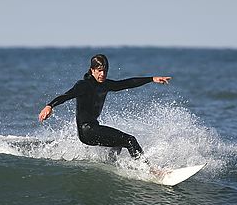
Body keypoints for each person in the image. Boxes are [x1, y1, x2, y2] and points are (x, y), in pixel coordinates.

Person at [38, 53, 171, 160]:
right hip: (87, 130)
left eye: (105, 71)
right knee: (130, 140)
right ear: (92, 70)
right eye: (99, 71)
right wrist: (50, 105)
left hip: (93, 130)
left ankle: (111, 163)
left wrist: (152, 79)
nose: (103, 74)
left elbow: (127, 83)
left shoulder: (105, 85)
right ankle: (148, 170)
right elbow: (67, 95)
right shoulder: (83, 85)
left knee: (120, 143)